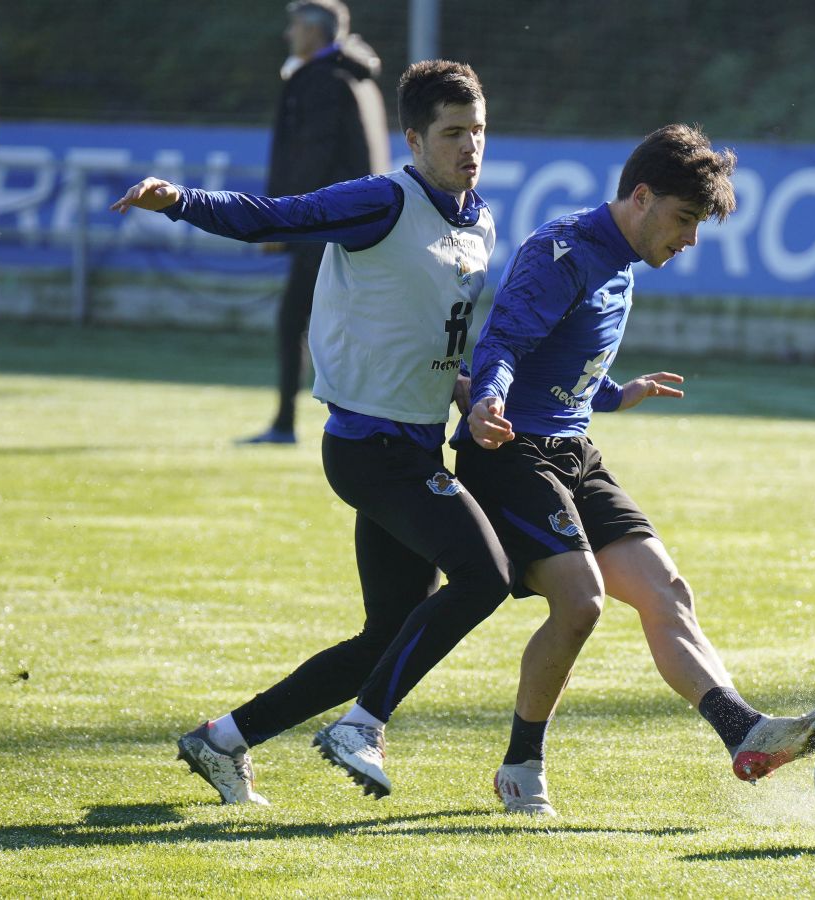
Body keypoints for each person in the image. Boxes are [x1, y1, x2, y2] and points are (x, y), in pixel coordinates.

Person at [112, 60, 511, 805]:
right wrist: (182, 201)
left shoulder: (480, 222)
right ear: (414, 137)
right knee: (484, 577)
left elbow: (428, 337)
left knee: (383, 639)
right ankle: (364, 726)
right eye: (453, 133)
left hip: (415, 445)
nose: (470, 146)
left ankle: (222, 739)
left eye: (479, 130)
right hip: (369, 450)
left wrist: (464, 393)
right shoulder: (381, 202)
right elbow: (276, 215)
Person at [454, 124, 815, 816]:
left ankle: (745, 734)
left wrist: (612, 393)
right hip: (509, 450)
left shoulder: (624, 266)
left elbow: (564, 360)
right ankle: (520, 766)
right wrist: (485, 400)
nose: (690, 240)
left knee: (669, 590)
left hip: (573, 452)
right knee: (581, 603)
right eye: (684, 219)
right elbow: (506, 343)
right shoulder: (562, 251)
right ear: (641, 197)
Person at [241, 0, 391, 445]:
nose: (288, 36)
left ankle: (287, 423)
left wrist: (278, 221)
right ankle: (373, 423)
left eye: (293, 27)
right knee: (356, 329)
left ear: (312, 31)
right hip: (360, 222)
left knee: (295, 321)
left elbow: (311, 157)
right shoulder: (357, 79)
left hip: (325, 223)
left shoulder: (319, 81)